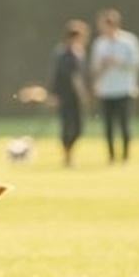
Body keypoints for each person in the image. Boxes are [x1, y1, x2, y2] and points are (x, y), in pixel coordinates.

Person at [91, 8, 139, 164]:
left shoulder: (129, 41)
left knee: (124, 124)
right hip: (105, 89)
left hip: (124, 88)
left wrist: (119, 62)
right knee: (108, 126)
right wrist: (102, 66)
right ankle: (111, 156)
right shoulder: (99, 43)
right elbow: (94, 66)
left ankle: (125, 156)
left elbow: (137, 63)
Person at [50, 19, 90, 167]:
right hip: (67, 96)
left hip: (69, 96)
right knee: (68, 126)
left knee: (76, 127)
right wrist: (82, 94)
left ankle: (68, 154)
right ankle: (67, 156)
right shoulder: (65, 54)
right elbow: (73, 77)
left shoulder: (77, 52)